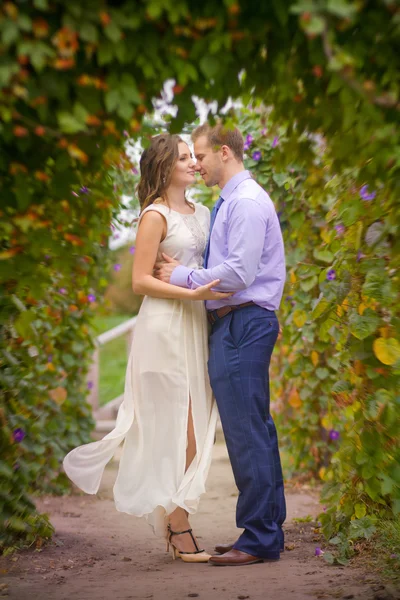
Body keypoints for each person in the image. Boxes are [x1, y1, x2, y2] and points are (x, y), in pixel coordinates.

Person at [63, 133, 232, 564]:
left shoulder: (205, 212)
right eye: (183, 157)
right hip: (164, 327)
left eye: (194, 156)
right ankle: (178, 527)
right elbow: (140, 281)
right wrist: (194, 296)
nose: (193, 162)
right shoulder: (154, 215)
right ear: (163, 166)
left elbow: (209, 267)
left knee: (196, 428)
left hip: (196, 325)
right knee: (179, 429)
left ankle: (171, 518)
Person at [155, 123, 287, 566]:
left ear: (224, 153)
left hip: (243, 322)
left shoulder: (246, 203)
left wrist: (179, 276)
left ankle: (259, 537)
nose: (197, 163)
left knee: (248, 433)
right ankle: (265, 532)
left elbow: (237, 275)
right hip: (238, 323)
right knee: (255, 431)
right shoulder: (232, 202)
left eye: (201, 155)